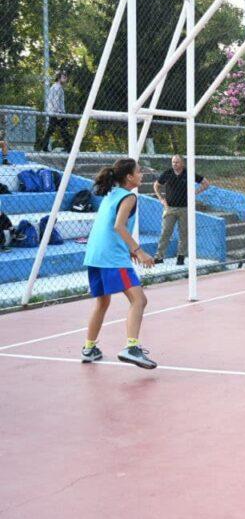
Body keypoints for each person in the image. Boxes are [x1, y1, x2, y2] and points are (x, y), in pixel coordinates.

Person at [81, 157, 157, 369]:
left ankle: (89, 348)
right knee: (139, 300)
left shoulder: (111, 193)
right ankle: (131, 348)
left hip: (95, 255)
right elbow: (118, 226)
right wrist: (138, 251)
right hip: (111, 257)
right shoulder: (129, 196)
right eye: (139, 171)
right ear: (129, 177)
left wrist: (128, 249)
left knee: (102, 303)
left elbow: (108, 226)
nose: (142, 174)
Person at [153, 155, 210, 265]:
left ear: (182, 163)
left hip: (185, 208)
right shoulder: (168, 173)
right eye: (173, 162)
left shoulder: (189, 173)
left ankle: (181, 257)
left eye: (177, 162)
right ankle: (159, 256)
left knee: (184, 233)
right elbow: (156, 185)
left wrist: (195, 192)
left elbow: (206, 183)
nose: (174, 164)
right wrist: (161, 199)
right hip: (170, 208)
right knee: (165, 232)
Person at [37, 71, 73, 152]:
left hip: (53, 112)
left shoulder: (54, 86)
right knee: (63, 130)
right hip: (57, 112)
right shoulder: (58, 88)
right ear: (59, 78)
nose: (66, 79)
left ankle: (44, 146)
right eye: (64, 77)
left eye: (66, 77)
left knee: (51, 130)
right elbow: (55, 101)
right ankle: (69, 148)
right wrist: (58, 113)